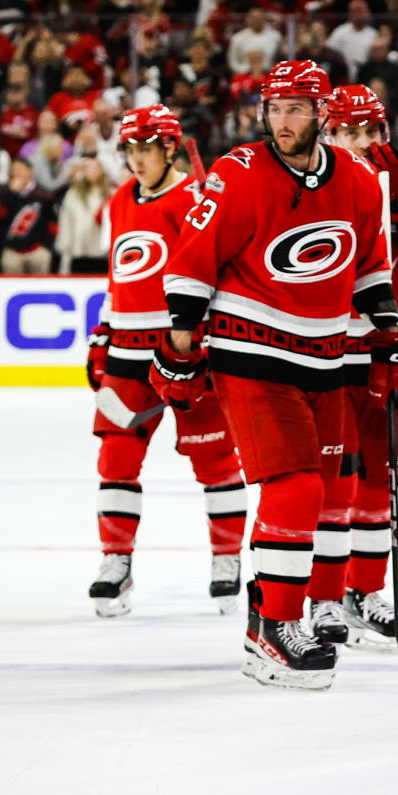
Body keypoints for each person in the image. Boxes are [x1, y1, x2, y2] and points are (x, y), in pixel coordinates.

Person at [159, 60, 398, 691]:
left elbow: (370, 255)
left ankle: (264, 620)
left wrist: (385, 317)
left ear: (322, 113)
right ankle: (276, 630)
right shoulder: (237, 173)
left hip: (325, 357)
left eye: (297, 108)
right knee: (295, 489)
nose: (283, 120)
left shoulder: (356, 176)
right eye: (275, 107)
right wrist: (182, 338)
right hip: (250, 349)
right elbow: (194, 256)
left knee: (314, 491)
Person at [85, 105, 244, 618]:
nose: (135, 159)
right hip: (127, 356)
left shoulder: (192, 199)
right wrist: (102, 332)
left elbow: (211, 274)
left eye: (145, 149)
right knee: (115, 459)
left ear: (170, 148)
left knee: (215, 459)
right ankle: (116, 562)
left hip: (183, 351)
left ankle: (226, 560)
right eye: (129, 149)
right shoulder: (119, 200)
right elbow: (120, 275)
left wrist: (201, 338)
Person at [322, 85, 398, 647]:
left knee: (382, 480)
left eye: (367, 130)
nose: (357, 142)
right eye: (346, 131)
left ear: (384, 135)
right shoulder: (314, 184)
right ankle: (322, 598)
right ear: (328, 133)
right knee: (332, 481)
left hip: (389, 350)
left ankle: (365, 592)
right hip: (326, 352)